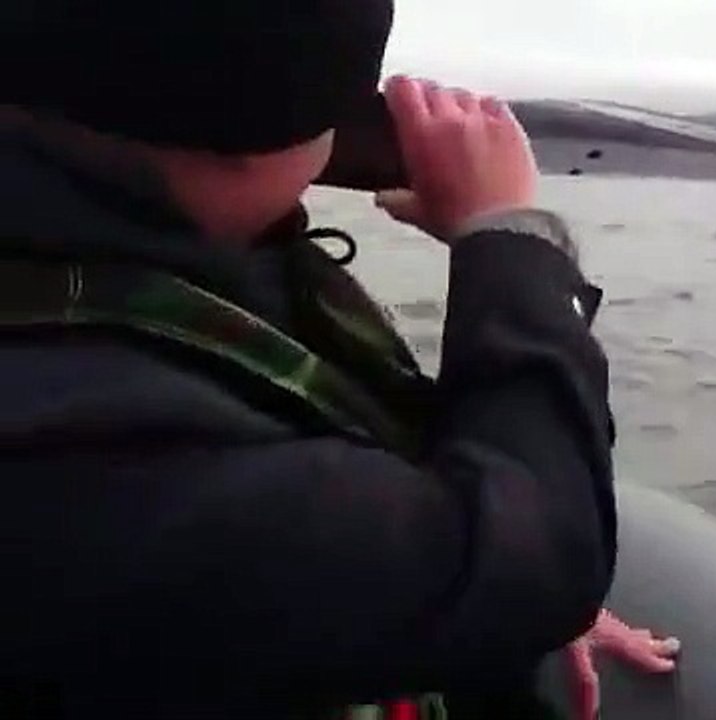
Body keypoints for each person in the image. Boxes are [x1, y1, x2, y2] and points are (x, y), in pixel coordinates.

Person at [0, 1, 673, 718]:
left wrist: (436, 586)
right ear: (257, 142)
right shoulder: (93, 460)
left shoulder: (97, 262)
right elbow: (539, 560)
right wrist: (513, 242)